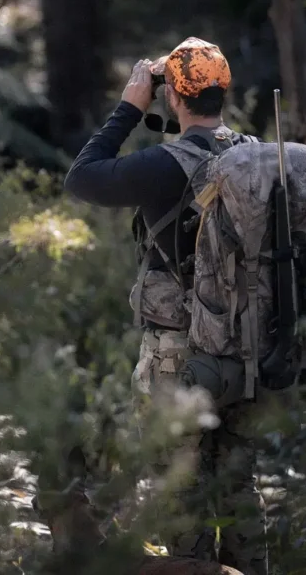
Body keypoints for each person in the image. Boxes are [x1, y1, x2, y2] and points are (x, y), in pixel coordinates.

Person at [61, 37, 268, 574]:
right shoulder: (256, 158)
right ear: (223, 92)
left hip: (178, 352)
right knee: (241, 486)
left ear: (174, 97)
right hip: (248, 347)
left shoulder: (162, 163)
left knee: (181, 485)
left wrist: (132, 104)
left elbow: (81, 178)